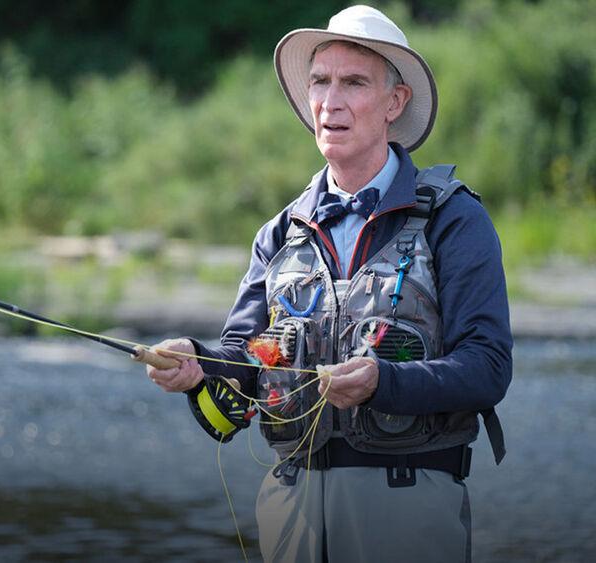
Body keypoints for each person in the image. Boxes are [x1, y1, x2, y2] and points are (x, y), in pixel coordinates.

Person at [145, 5, 512, 562]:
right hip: (289, 510)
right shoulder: (279, 232)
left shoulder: (455, 221)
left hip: (410, 508)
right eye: (320, 81)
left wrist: (381, 382)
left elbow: (488, 368)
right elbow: (247, 360)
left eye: (353, 82)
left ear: (395, 103)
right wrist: (196, 360)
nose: (330, 101)